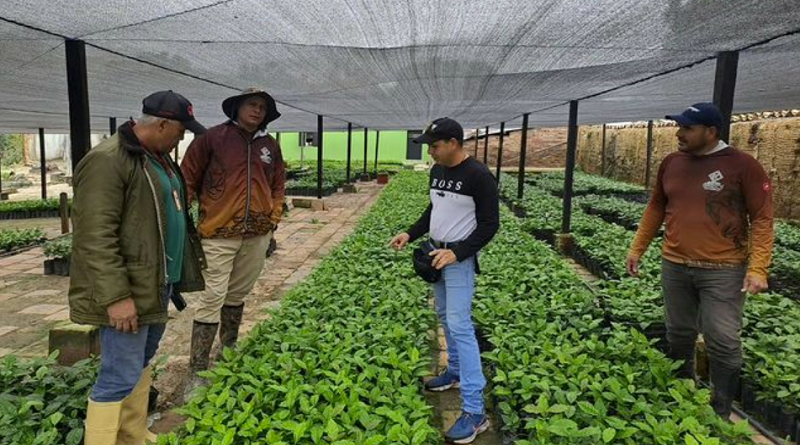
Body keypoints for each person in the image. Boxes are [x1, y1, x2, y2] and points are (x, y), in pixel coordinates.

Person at [69, 90, 207, 445]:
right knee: (118, 373)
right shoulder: (109, 159)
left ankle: (131, 435)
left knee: (140, 363)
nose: (182, 137)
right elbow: (94, 237)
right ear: (162, 124)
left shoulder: (157, 157)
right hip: (128, 289)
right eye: (181, 130)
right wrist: (116, 297)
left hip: (156, 283)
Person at [626, 102, 773, 419]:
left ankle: (720, 408)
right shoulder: (672, 163)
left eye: (687, 128)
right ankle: (682, 389)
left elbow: (762, 218)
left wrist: (759, 267)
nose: (679, 133)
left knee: (722, 339)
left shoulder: (743, 165)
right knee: (678, 332)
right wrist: (637, 248)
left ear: (711, 131)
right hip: (675, 264)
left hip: (723, 269)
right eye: (679, 127)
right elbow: (656, 207)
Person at [390, 118, 499, 444]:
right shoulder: (437, 172)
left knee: (460, 325)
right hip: (435, 255)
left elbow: (490, 224)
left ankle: (475, 411)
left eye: (434, 145)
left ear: (453, 142)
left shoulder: (479, 176)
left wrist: (459, 253)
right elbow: (433, 209)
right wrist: (410, 232)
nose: (430, 150)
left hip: (457, 261)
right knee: (443, 317)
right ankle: (452, 372)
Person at [181, 87, 285, 396]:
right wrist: (182, 221)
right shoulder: (212, 139)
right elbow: (187, 179)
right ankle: (197, 371)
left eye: (262, 108)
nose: (257, 111)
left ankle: (228, 349)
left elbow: (278, 184)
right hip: (218, 232)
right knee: (212, 295)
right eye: (252, 105)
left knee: (238, 293)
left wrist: (273, 218)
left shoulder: (270, 146)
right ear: (237, 107)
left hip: (257, 233)